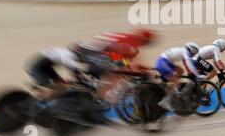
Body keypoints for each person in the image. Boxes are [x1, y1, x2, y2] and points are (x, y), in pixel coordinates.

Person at [25, 28, 157, 100]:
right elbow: (76, 68)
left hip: (51, 64)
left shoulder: (126, 40)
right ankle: (39, 101)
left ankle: (43, 97)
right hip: (42, 66)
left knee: (66, 85)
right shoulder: (68, 55)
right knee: (64, 86)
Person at [155, 42, 202, 111]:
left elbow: (186, 65)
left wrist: (190, 73)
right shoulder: (186, 52)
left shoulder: (183, 51)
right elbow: (189, 64)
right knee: (175, 80)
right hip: (163, 63)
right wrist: (197, 75)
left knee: (180, 70)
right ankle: (165, 101)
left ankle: (173, 88)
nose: (194, 55)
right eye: (195, 53)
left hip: (166, 62)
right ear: (193, 50)